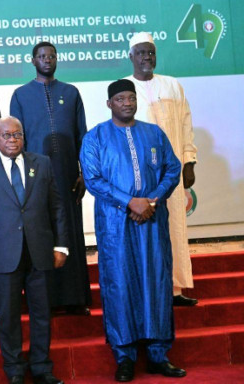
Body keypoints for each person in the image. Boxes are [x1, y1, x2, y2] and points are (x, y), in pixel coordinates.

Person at [80, 79, 185, 382]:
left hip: (151, 220)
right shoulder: (95, 137)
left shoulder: (153, 133)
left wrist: (150, 200)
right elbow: (94, 179)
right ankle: (124, 356)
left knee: (156, 280)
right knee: (119, 284)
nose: (127, 103)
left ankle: (157, 354)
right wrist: (130, 202)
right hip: (116, 224)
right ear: (109, 103)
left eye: (131, 98)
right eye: (121, 99)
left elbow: (172, 168)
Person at [0, 116, 67, 384]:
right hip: (2, 255)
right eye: (6, 135)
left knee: (41, 313)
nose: (12, 140)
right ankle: (14, 369)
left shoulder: (42, 163)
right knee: (8, 316)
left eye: (17, 135)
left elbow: (56, 207)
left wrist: (61, 245)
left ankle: (41, 367)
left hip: (40, 251)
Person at [10, 42, 91, 315]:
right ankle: (46, 301)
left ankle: (77, 298)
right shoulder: (20, 95)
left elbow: (83, 136)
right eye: (42, 56)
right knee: (42, 236)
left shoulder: (71, 92)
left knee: (71, 232)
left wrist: (83, 173)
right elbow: (16, 141)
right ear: (33, 60)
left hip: (68, 175)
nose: (47, 60)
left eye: (51, 56)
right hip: (36, 178)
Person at [126, 32, 198, 306]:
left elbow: (185, 125)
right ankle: (151, 292)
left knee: (175, 227)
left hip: (172, 171)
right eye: (141, 53)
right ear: (131, 56)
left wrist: (189, 161)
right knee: (148, 230)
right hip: (141, 176)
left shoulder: (172, 85)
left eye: (151, 53)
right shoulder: (124, 88)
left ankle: (176, 289)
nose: (147, 58)